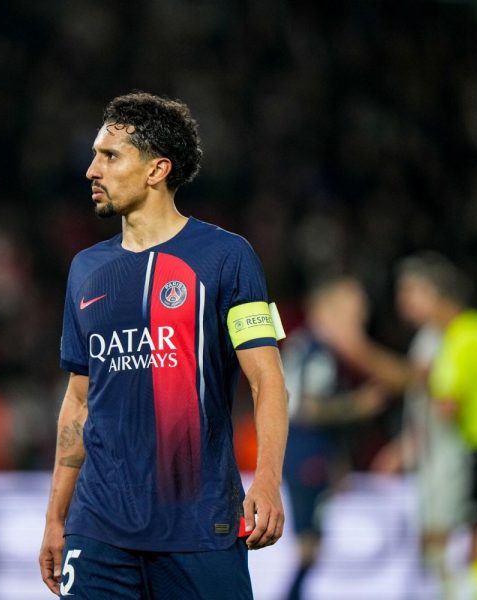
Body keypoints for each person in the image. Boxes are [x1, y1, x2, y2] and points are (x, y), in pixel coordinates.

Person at [38, 92, 289, 599]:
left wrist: (266, 480)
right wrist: (56, 517)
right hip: (99, 527)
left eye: (110, 156)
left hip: (200, 525)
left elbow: (267, 380)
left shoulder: (226, 257)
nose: (92, 170)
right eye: (95, 155)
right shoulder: (86, 269)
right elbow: (79, 401)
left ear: (157, 170)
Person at [318, 252, 477, 600]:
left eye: (410, 292)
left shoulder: (459, 338)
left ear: (434, 293)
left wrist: (357, 349)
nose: (403, 303)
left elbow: (444, 403)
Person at [278, 274, 387, 599]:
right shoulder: (317, 351)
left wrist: (337, 463)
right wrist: (359, 405)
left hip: (308, 452)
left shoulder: (306, 345)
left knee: (313, 543)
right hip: (306, 452)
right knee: (309, 545)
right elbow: (308, 408)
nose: (361, 315)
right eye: (354, 307)